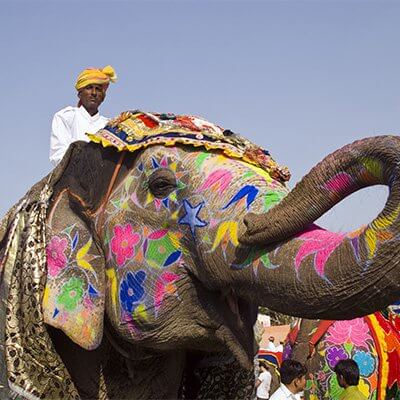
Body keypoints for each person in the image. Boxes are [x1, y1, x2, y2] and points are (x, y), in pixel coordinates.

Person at [49, 65, 117, 166]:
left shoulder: (110, 126)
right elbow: (58, 156)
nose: (94, 93)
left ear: (103, 97)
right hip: (71, 178)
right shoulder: (66, 117)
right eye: (89, 88)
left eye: (98, 89)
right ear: (79, 94)